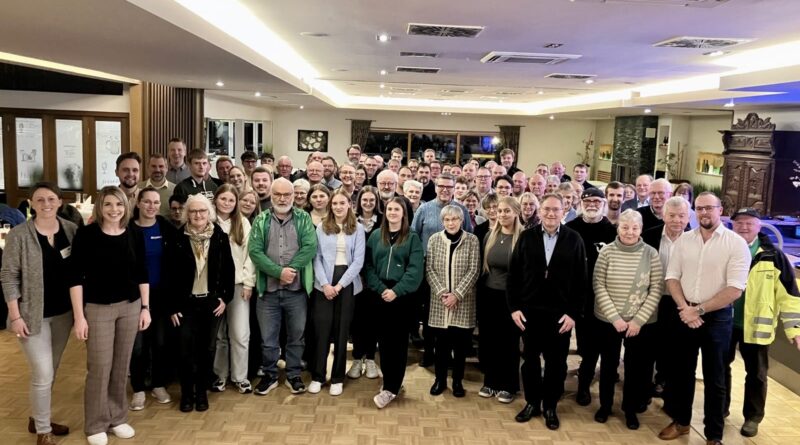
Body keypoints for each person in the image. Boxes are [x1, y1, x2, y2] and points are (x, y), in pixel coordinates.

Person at [658, 192, 750, 445]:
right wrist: (685, 309)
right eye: (699, 209)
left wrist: (698, 311)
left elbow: (735, 289)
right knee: (681, 374)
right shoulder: (684, 241)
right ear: (694, 212)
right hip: (685, 313)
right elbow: (672, 278)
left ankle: (714, 435)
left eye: (709, 208)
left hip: (717, 318)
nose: (704, 213)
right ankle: (682, 422)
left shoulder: (735, 243)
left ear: (720, 210)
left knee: (715, 378)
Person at [69, 186, 150, 445]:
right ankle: (95, 423)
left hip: (130, 306)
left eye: (119, 204)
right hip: (97, 308)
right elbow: (75, 277)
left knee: (120, 365)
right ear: (100, 208)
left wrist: (146, 308)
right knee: (99, 368)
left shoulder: (134, 233)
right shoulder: (86, 235)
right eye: (108, 205)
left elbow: (142, 272)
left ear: (126, 207)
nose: (114, 210)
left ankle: (118, 417)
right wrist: (79, 317)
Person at [1, 183, 78, 445]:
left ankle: (37, 417)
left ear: (59, 202)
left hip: (63, 314)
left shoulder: (71, 230)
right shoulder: (19, 235)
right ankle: (43, 431)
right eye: (40, 199)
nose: (46, 203)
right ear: (31, 203)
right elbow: (8, 277)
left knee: (51, 370)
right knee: (43, 373)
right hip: (31, 316)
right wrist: (15, 315)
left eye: (51, 198)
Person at [507, 193, 587, 429]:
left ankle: (550, 405)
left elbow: (581, 281)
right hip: (529, 312)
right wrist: (514, 308)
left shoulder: (574, 239)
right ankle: (532, 402)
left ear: (564, 211)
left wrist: (573, 313)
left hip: (560, 315)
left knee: (556, 364)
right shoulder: (526, 237)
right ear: (539, 211)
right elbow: (513, 276)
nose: (551, 214)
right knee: (530, 361)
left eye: (556, 209)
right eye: (547, 209)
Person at [724, 208, 800, 438]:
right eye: (739, 223)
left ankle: (752, 417)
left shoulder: (773, 256)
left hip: (757, 328)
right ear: (733, 225)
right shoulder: (724, 250)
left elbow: (789, 295)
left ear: (759, 226)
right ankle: (720, 407)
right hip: (724, 322)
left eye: (749, 223)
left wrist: (794, 329)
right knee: (719, 368)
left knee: (756, 374)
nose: (744, 227)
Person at [592, 209, 663, 429]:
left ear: (641, 229)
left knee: (635, 369)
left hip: (639, 324)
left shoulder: (651, 253)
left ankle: (630, 409)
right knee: (608, 366)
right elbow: (598, 284)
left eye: (634, 228)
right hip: (608, 320)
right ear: (618, 228)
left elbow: (656, 289)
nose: (630, 232)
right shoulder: (607, 252)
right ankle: (605, 406)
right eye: (625, 227)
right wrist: (615, 319)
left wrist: (637, 321)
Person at [249, 178, 318, 396]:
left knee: (296, 337)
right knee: (268, 338)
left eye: (287, 194)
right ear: (271, 194)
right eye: (278, 194)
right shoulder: (261, 220)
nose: (282, 198)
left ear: (293, 196)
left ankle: (293, 375)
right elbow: (255, 252)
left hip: (296, 291)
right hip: (267, 292)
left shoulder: (303, 218)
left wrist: (290, 271)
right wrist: (278, 272)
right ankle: (269, 376)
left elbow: (310, 247)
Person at [171, 194, 234, 412]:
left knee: (207, 349)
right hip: (184, 305)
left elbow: (228, 270)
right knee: (185, 350)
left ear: (210, 213)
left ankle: (201, 393)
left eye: (202, 211)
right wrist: (172, 307)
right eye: (193, 211)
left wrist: (225, 298)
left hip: (210, 303)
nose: (198, 215)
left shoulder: (219, 236)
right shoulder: (178, 237)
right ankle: (187, 394)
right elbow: (169, 275)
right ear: (187, 213)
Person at [364, 197, 424, 408]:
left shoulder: (412, 238)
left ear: (404, 213)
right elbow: (368, 267)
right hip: (380, 295)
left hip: (402, 297)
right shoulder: (374, 236)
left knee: (397, 344)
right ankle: (392, 382)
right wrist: (382, 290)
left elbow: (415, 272)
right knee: (384, 343)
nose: (392, 212)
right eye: (389, 208)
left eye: (397, 209)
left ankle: (390, 388)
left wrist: (396, 291)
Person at [309, 190, 366, 396]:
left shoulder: (357, 228)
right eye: (335, 204)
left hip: (347, 283)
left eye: (342, 203)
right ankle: (317, 376)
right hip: (323, 282)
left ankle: (337, 378)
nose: (338, 207)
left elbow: (358, 261)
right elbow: (316, 258)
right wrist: (325, 284)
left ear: (349, 204)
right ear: (330, 206)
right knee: (322, 331)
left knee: (342, 332)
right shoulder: (321, 227)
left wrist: (340, 286)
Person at [566, 187, 618, 407]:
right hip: (574, 297)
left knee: (597, 349)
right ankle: (571, 384)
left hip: (604, 299)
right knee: (575, 346)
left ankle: (589, 389)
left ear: (604, 204)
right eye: (588, 201)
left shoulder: (612, 231)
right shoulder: (570, 229)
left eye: (597, 201)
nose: (592, 205)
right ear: (581, 203)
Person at [128, 188, 178, 411]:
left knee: (159, 343)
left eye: (156, 202)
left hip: (160, 295)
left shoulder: (165, 227)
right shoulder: (126, 228)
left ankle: (158, 384)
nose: (151, 206)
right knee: (137, 346)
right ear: (138, 203)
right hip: (132, 297)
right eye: (146, 202)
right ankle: (138, 388)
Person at [425, 205, 480, 398]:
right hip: (440, 301)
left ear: (461, 220)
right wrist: (443, 293)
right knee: (441, 346)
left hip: (463, 302)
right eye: (447, 220)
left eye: (455, 219)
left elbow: (474, 270)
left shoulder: (472, 240)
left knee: (460, 346)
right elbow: (429, 269)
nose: (451, 223)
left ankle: (457, 381)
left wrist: (456, 294)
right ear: (442, 222)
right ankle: (440, 380)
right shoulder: (434, 240)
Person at [642, 196, 691, 403]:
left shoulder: (695, 240)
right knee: (648, 344)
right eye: (672, 215)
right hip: (651, 299)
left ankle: (665, 385)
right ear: (664, 215)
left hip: (680, 302)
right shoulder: (647, 237)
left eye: (681, 216)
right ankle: (643, 389)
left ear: (688, 218)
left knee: (673, 348)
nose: (676, 220)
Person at [211, 185, 257, 395]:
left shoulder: (242, 223)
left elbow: (251, 255)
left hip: (238, 285)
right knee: (219, 335)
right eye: (223, 199)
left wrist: (248, 283)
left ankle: (240, 377)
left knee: (240, 333)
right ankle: (220, 376)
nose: (227, 204)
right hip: (213, 288)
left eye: (231, 200)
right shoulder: (208, 221)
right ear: (216, 199)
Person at [477, 196, 523, 404]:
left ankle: (508, 385)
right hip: (489, 295)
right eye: (500, 210)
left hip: (511, 298)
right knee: (490, 340)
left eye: (507, 211)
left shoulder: (523, 238)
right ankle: (491, 382)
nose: (502, 214)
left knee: (509, 342)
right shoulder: (490, 236)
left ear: (516, 213)